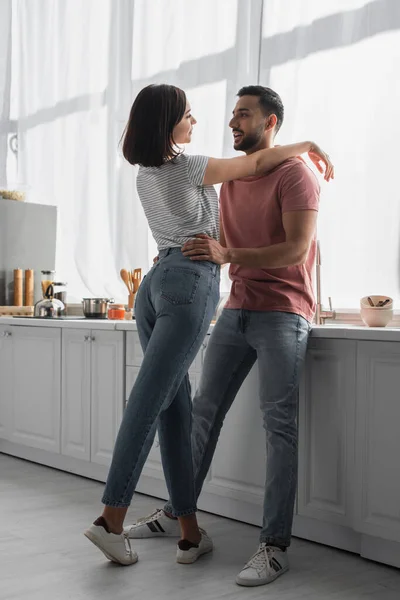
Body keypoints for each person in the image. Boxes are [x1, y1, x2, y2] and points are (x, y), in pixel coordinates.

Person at [84, 83, 333, 567]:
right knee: (176, 407)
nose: (226, 122)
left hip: (266, 305)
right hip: (213, 294)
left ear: (270, 122)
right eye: (199, 115)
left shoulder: (291, 175)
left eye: (243, 115)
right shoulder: (209, 173)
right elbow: (246, 177)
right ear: (169, 123)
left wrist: (215, 253)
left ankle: (233, 539)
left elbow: (295, 248)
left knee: (235, 420)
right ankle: (136, 520)